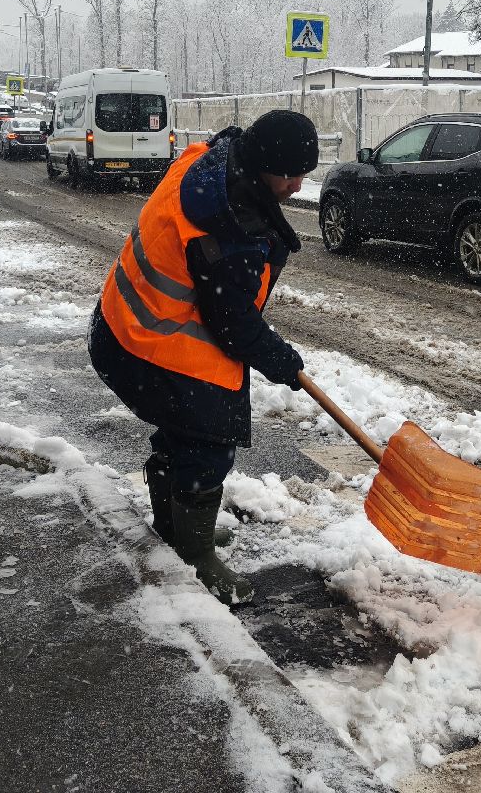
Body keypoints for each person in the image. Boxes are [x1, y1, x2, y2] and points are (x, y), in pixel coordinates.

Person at [88, 110, 318, 605]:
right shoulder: (223, 224)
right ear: (260, 166)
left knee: (185, 429)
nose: (298, 186)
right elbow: (235, 324)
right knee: (211, 434)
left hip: (121, 322)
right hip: (145, 343)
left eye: (304, 174)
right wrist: (282, 361)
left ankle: (176, 532)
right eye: (290, 174)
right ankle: (192, 555)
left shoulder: (207, 164)